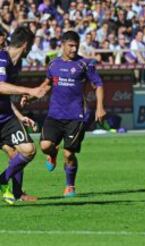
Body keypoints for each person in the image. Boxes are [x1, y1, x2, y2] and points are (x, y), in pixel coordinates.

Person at [38, 31, 106, 197]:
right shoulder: (53, 64)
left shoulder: (84, 64)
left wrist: (100, 107)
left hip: (76, 116)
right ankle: (52, 155)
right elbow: (47, 85)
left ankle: (70, 186)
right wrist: (31, 96)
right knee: (45, 146)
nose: (74, 49)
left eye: (76, 45)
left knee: (69, 154)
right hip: (54, 114)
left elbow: (98, 85)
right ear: (62, 45)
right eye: (70, 46)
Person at [0, 26, 49, 205]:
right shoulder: (1, 58)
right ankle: (13, 190)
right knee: (14, 154)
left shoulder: (17, 63)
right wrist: (30, 90)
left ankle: (6, 184)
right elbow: (0, 87)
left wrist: (20, 114)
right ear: (26, 45)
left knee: (27, 150)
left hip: (6, 118)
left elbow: (5, 94)